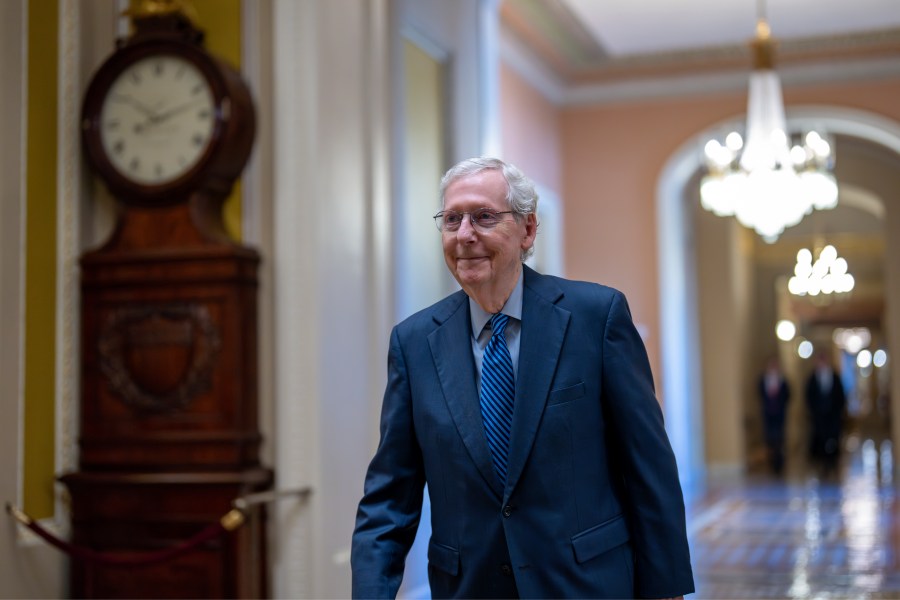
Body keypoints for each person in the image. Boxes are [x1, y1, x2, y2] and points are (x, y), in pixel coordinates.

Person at [351, 157, 694, 599]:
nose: (465, 235)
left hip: (586, 584)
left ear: (528, 230)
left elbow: (648, 469)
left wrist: (666, 590)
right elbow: (389, 498)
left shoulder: (596, 317)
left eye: (484, 217)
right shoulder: (414, 342)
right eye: (452, 219)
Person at [805, 351, 847, 477]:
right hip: (819, 416)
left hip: (833, 416)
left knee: (833, 440)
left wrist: (837, 411)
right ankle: (824, 464)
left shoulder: (835, 377)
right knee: (822, 440)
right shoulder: (812, 378)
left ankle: (832, 461)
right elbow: (809, 397)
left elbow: (841, 396)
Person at [758, 357, 791, 476]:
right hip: (768, 415)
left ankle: (779, 462)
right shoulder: (763, 380)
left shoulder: (782, 381)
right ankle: (772, 461)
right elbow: (760, 394)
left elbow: (788, 395)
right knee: (770, 439)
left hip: (780, 415)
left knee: (779, 439)